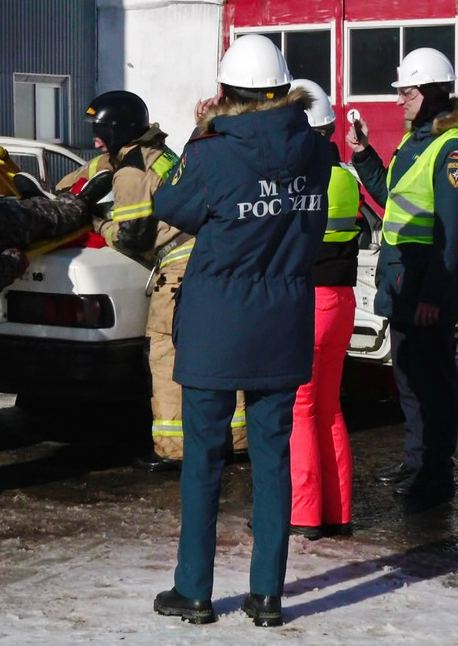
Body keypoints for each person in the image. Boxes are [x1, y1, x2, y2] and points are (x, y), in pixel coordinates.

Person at [150, 34, 332, 628]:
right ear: (283, 90)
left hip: (217, 325)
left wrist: (199, 132)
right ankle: (268, 595)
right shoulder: (315, 151)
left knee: (203, 460)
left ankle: (195, 591)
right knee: (272, 459)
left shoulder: (211, 152)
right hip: (283, 319)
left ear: (226, 91)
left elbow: (171, 206)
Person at [47, 91, 248, 473]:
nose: (95, 139)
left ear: (119, 130)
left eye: (100, 131)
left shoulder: (132, 171)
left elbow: (132, 237)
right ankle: (236, 439)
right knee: (221, 353)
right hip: (212, 257)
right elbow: (91, 172)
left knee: (167, 354)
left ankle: (174, 450)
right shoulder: (155, 153)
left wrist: (91, 221)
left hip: (179, 268)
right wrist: (60, 191)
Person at [345, 47, 458, 511]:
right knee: (408, 377)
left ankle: (437, 473)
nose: (400, 99)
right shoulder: (414, 142)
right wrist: (363, 155)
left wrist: (433, 295)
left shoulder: (454, 149)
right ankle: (416, 458)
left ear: (429, 93)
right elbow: (390, 197)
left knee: (434, 382)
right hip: (403, 279)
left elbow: (453, 232)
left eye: (407, 90)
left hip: (426, 283)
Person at [287, 79, 361, 540]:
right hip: (341, 301)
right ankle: (337, 511)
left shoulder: (302, 181)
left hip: (308, 303)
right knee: (329, 409)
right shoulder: (346, 177)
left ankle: (303, 514)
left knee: (300, 410)